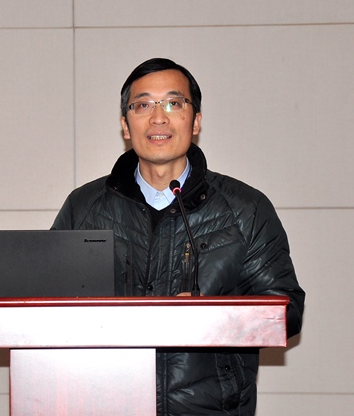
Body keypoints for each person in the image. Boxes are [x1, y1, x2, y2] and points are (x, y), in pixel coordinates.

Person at [52, 58, 305, 416]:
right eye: (143, 105)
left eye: (174, 103)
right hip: (105, 401)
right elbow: (47, 305)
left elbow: (286, 311)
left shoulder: (244, 208)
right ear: (125, 125)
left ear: (196, 121)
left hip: (211, 409)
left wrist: (213, 316)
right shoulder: (85, 207)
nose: (158, 118)